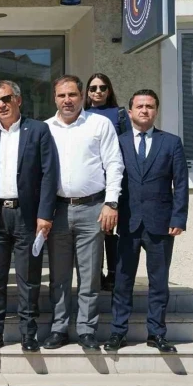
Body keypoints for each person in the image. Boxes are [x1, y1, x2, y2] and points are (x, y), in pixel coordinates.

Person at [0, 81, 58, 352]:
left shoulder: (38, 130)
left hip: (27, 216)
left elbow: (49, 174)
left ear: (18, 100)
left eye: (6, 99)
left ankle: (28, 333)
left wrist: (45, 214)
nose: (1, 105)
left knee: (28, 277)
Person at [44, 75, 124, 350]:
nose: (67, 100)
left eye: (72, 95)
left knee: (89, 276)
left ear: (82, 97)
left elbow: (114, 164)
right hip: (57, 210)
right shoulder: (46, 129)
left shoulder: (99, 124)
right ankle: (59, 328)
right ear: (54, 98)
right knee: (59, 276)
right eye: (62, 95)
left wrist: (111, 202)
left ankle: (87, 329)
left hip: (93, 208)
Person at [105, 90, 189, 353]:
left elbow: (181, 184)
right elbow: (109, 178)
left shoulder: (171, 142)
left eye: (150, 106)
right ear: (130, 112)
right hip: (127, 222)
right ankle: (118, 332)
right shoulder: (118, 142)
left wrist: (179, 217)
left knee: (159, 281)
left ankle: (157, 333)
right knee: (122, 281)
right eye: (139, 106)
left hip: (160, 223)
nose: (144, 110)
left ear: (156, 111)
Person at [84, 73, 131, 292]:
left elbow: (128, 146)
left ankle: (113, 274)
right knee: (93, 231)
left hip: (113, 180)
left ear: (109, 90)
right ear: (87, 92)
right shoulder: (82, 114)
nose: (98, 91)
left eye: (102, 87)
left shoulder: (119, 114)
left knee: (110, 229)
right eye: (93, 88)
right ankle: (96, 273)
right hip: (92, 181)